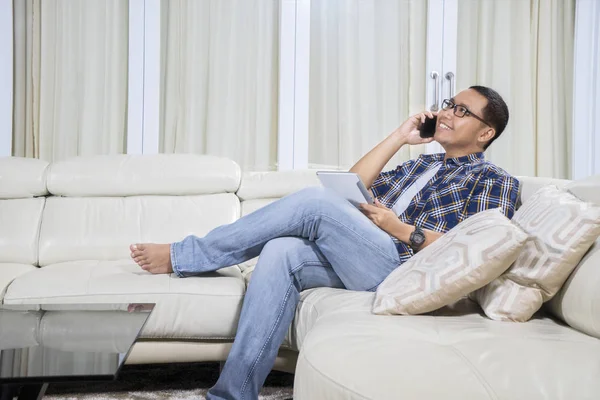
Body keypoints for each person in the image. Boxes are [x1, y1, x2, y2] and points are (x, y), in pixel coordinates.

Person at [129, 85, 520, 400]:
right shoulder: (424, 164)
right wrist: (400, 137)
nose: (448, 113)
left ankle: (186, 254)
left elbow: (475, 250)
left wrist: (400, 229)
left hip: (409, 268)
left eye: (462, 111)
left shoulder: (494, 180)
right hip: (371, 258)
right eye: (450, 105)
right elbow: (353, 183)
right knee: (281, 250)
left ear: (486, 133)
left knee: (315, 202)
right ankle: (233, 394)